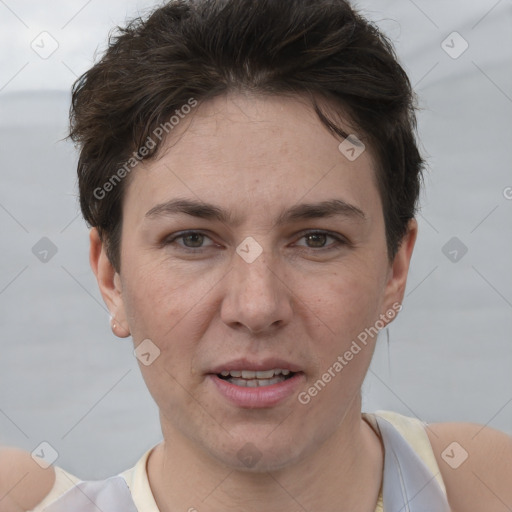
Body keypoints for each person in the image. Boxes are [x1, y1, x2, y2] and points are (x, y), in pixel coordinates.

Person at [1, 0, 511, 511]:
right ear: (111, 278)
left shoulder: (483, 485)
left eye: (316, 239)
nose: (256, 307)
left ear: (394, 271)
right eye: (192, 240)